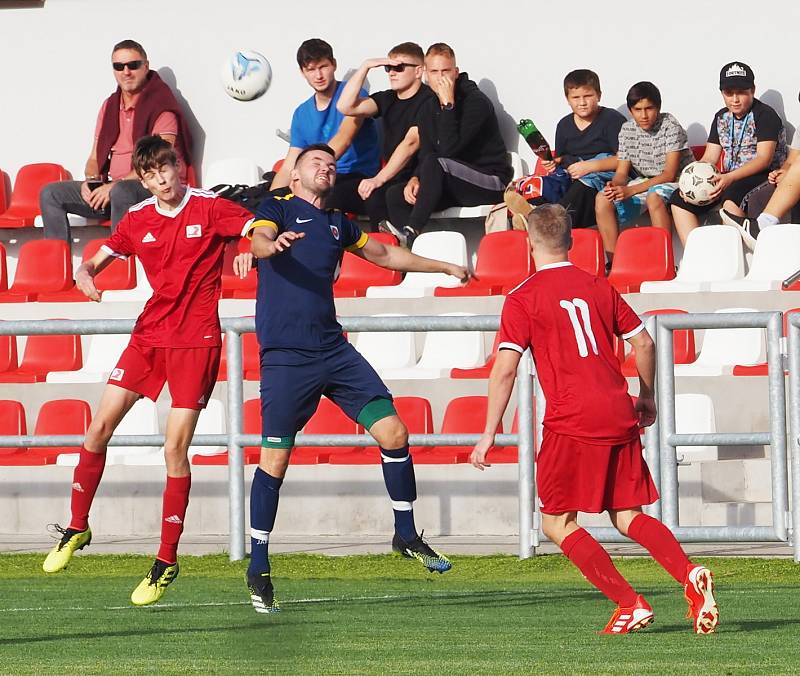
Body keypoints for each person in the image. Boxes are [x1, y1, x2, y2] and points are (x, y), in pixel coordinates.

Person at [234, 144, 468, 614]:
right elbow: (257, 239)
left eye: (331, 163)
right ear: (294, 175)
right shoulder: (275, 209)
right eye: (316, 163)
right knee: (275, 460)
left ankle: (405, 534)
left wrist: (440, 265)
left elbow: (383, 254)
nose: (327, 167)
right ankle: (258, 568)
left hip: (333, 350)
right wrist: (266, 247)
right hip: (285, 358)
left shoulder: (338, 223)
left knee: (395, 431)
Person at [470, 204, 719, 635]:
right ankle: (688, 574)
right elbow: (643, 343)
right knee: (626, 514)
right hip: (617, 410)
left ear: (529, 244)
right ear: (571, 241)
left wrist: (488, 432)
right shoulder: (599, 287)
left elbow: (505, 368)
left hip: (572, 419)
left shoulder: (523, 297)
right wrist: (646, 397)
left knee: (556, 522)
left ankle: (630, 603)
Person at [42, 136, 254, 606]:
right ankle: (77, 527)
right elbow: (105, 253)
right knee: (97, 428)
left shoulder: (209, 206)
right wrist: (84, 273)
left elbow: (254, 223)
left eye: (168, 168)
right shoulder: (138, 218)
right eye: (153, 173)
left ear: (179, 167)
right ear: (142, 179)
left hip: (195, 341)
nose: (163, 178)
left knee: (173, 448)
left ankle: (165, 560)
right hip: (148, 338)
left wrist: (247, 246)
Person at [40, 39, 193, 244]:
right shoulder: (110, 105)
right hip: (113, 189)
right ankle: (57, 270)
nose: (126, 72)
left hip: (150, 189)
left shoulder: (161, 106)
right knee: (50, 193)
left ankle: (117, 265)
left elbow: (157, 163)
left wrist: (113, 186)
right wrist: (92, 182)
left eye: (133, 65)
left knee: (122, 191)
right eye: (119, 66)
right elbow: (94, 157)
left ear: (146, 66)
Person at [384, 43, 512, 247]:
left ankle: (412, 232)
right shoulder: (427, 106)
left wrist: (448, 106)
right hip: (449, 181)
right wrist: (416, 178)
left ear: (456, 72)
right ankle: (414, 257)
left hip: (488, 181)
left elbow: (448, 151)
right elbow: (427, 151)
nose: (440, 78)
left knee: (436, 162)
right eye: (434, 72)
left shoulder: (476, 102)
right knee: (396, 195)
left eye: (446, 71)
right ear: (425, 74)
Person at [671, 62, 786, 246]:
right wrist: (689, 185)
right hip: (730, 177)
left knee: (730, 200)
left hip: (763, 176)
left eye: (741, 92)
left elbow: (764, 160)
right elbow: (709, 158)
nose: (735, 99)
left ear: (753, 90)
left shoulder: (765, 114)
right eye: (729, 93)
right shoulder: (721, 117)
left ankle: (739, 257)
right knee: (678, 199)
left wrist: (729, 178)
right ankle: (696, 255)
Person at [270, 38, 380, 216]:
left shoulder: (353, 96)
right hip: (318, 178)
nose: (318, 75)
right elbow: (289, 165)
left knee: (316, 199)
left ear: (334, 65)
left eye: (323, 67)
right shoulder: (301, 113)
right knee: (274, 203)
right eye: (311, 70)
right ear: (302, 72)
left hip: (356, 178)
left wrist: (307, 178)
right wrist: (272, 200)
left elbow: (343, 140)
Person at [336, 42, 434, 231]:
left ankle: (388, 252)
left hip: (415, 179)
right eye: (388, 67)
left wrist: (378, 179)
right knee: (334, 195)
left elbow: (411, 143)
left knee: (377, 196)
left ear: (418, 71)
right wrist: (365, 66)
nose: (391, 73)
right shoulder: (387, 98)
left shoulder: (428, 99)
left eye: (398, 67)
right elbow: (345, 107)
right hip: (389, 179)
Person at [595, 82, 694, 259]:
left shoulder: (670, 125)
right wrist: (614, 185)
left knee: (654, 196)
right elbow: (622, 172)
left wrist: (630, 190)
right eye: (638, 109)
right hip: (645, 180)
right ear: (630, 110)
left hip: (679, 180)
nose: (644, 115)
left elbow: (669, 174)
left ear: (658, 107)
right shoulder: (627, 129)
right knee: (602, 198)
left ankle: (664, 261)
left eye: (649, 108)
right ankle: (614, 262)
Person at [547, 70, 626, 231]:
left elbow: (624, 160)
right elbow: (561, 160)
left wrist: (590, 166)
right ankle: (536, 215)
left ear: (599, 95)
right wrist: (552, 163)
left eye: (588, 96)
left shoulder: (612, 119)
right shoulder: (563, 125)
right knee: (547, 187)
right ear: (567, 99)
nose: (582, 102)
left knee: (582, 188)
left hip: (602, 180)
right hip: (572, 178)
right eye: (575, 97)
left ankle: (552, 224)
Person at [721, 110, 800, 248]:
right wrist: (783, 172)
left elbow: (764, 159)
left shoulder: (766, 115)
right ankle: (763, 248)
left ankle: (763, 226)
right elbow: (791, 160)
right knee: (758, 198)